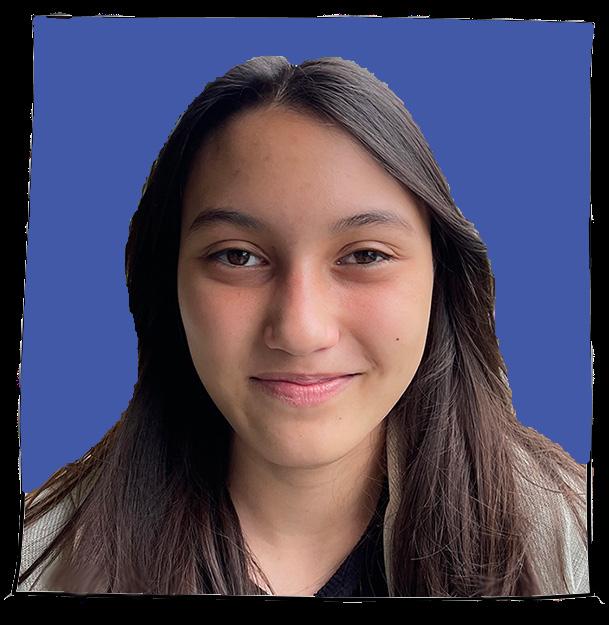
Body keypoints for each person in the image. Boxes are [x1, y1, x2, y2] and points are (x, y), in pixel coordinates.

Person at [17, 55, 588, 597]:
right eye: (238, 256)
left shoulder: (573, 545)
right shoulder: (35, 562)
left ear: (442, 279)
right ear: (169, 283)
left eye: (365, 255)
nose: (300, 330)